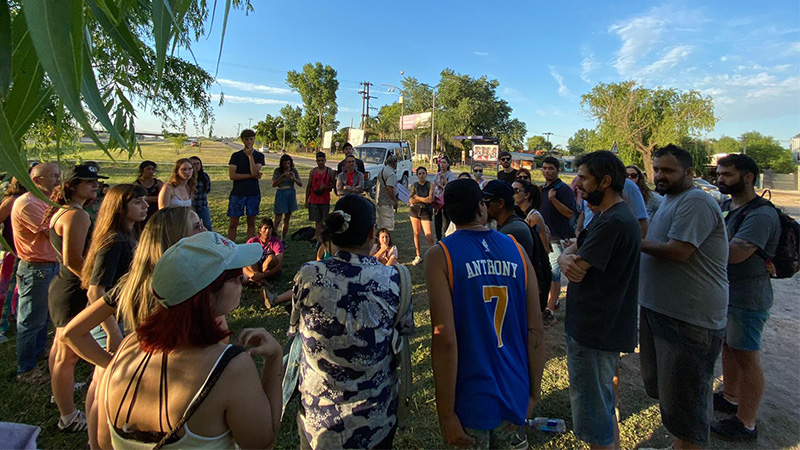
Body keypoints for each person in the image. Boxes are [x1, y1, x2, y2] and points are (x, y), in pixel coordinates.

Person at [96, 232, 283, 449]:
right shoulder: (230, 367)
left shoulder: (128, 347)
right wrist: (275, 358)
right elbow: (261, 442)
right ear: (207, 296)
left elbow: (103, 441)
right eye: (234, 277)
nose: (242, 279)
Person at [424, 178, 545, 448]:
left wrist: (445, 415)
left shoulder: (440, 255)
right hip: (514, 391)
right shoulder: (516, 249)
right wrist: (533, 394)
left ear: (448, 213)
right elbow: (535, 327)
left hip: (470, 398)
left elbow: (445, 340)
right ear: (482, 207)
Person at [289, 194, 414, 449]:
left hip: (317, 420)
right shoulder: (395, 279)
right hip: (375, 420)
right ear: (372, 233)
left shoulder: (308, 274)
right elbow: (404, 333)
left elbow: (294, 330)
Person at [639, 144, 729, 449]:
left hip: (690, 318)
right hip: (663, 310)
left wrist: (632, 241)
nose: (660, 175)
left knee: (688, 401)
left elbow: (679, 251)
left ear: (689, 172)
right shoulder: (669, 200)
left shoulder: (696, 202)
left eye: (668, 170)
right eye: (657, 169)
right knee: (672, 395)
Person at [557, 151, 641, 449]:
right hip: (597, 327)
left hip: (595, 329)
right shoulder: (608, 215)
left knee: (594, 413)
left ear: (605, 181)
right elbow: (575, 248)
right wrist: (569, 256)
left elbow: (576, 271)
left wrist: (568, 258)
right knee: (602, 407)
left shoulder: (613, 222)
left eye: (583, 177)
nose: (576, 183)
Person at [64, 208, 206, 372]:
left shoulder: (139, 282)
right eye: (197, 227)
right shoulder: (176, 283)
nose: (205, 230)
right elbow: (72, 333)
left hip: (158, 373)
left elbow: (73, 333)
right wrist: (113, 366)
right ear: (176, 238)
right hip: (170, 376)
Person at [711, 154, 781, 442]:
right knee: (730, 346)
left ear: (748, 177)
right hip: (727, 292)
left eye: (726, 174)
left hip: (748, 297)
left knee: (747, 357)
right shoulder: (728, 205)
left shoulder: (762, 214)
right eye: (719, 174)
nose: (720, 179)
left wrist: (697, 247)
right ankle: (730, 396)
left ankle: (746, 423)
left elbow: (736, 252)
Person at [76, 184, 149, 449]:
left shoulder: (129, 234)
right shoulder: (115, 241)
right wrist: (112, 331)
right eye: (138, 202)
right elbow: (96, 290)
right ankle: (97, 443)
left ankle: (95, 441)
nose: (146, 206)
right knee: (105, 384)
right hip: (109, 321)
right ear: (120, 208)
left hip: (119, 317)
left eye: (144, 201)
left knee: (100, 382)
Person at [45, 163, 107, 432]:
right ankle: (68, 416)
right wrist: (92, 285)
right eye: (87, 181)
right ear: (72, 185)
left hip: (63, 286)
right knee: (67, 356)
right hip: (72, 289)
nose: (94, 185)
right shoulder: (77, 216)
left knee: (60, 352)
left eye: (95, 181)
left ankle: (59, 392)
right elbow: (73, 259)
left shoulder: (65, 211)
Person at [11, 163, 60, 384]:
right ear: (37, 180)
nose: (57, 180)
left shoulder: (45, 201)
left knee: (43, 316)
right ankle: (26, 368)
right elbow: (52, 230)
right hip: (36, 267)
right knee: (31, 319)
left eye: (58, 175)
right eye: (52, 176)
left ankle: (38, 351)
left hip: (49, 264)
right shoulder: (27, 204)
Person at [540, 156, 577, 326]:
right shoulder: (544, 188)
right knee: (546, 272)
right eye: (545, 168)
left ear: (558, 170)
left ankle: (550, 311)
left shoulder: (562, 190)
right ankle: (551, 302)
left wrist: (553, 200)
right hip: (543, 237)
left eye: (551, 168)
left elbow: (570, 213)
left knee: (554, 274)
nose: (547, 171)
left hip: (557, 237)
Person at [0, 177, 26, 343]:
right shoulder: (12, 200)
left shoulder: (33, 200)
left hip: (24, 253)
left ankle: (11, 317)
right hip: (10, 250)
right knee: (4, 289)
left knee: (17, 288)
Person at [227, 129, 265, 241]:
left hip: (253, 193)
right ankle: (230, 246)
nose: (249, 142)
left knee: (251, 223)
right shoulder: (235, 156)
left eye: (251, 139)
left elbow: (255, 172)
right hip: (237, 193)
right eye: (246, 139)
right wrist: (252, 176)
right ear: (243, 140)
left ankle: (250, 246)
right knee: (233, 224)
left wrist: (250, 156)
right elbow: (232, 176)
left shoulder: (259, 156)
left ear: (254, 139)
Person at [482, 180, 535, 258]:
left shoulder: (511, 231)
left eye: (486, 201)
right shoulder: (512, 224)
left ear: (500, 203)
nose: (483, 207)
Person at [512, 179, 550, 253]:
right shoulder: (516, 213)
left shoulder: (534, 217)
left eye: (516, 190)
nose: (512, 194)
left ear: (526, 194)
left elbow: (544, 247)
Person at [245, 217, 285, 284]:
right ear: (260, 230)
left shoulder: (276, 242)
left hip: (268, 270)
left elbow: (279, 263)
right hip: (255, 268)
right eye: (265, 228)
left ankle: (259, 279)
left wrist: (264, 274)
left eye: (269, 228)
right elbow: (243, 261)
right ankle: (257, 279)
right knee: (248, 259)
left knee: (272, 257)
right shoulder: (252, 241)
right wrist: (251, 274)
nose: (267, 231)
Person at [305, 152, 335, 238]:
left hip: (325, 199)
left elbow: (333, 184)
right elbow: (309, 185)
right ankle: (318, 235)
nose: (320, 162)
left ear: (325, 160)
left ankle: (320, 235)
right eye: (319, 161)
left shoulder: (330, 171)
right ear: (316, 161)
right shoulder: (313, 171)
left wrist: (326, 187)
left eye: (322, 160)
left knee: (324, 219)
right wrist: (307, 200)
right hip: (314, 199)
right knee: (316, 220)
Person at [409, 166, 435, 266]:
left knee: (429, 235)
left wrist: (418, 198)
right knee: (416, 233)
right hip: (414, 211)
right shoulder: (414, 186)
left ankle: (434, 255)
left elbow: (430, 200)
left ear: (426, 174)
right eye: (419, 174)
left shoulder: (430, 185)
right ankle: (418, 255)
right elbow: (411, 200)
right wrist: (423, 199)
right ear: (417, 175)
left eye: (423, 173)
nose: (421, 175)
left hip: (425, 211)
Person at [272, 154, 302, 241]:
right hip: (281, 193)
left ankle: (283, 239)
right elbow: (274, 184)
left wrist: (294, 179)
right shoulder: (277, 171)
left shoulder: (294, 171)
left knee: (287, 218)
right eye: (285, 164)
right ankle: (273, 237)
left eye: (288, 163)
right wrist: (282, 177)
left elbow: (300, 184)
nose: (287, 165)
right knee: (278, 218)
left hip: (290, 193)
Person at [433, 156, 457, 241]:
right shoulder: (437, 175)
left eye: (444, 163)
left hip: (446, 201)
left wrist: (444, 179)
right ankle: (438, 238)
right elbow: (433, 185)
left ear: (448, 164)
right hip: (437, 201)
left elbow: (450, 187)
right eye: (441, 163)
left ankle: (447, 237)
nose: (442, 165)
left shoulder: (450, 175)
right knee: (437, 220)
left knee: (446, 220)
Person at [376, 153, 398, 232]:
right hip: (387, 202)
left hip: (381, 200)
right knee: (388, 225)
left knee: (381, 224)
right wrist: (394, 200)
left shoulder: (382, 171)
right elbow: (389, 187)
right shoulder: (391, 174)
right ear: (395, 163)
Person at [190, 156, 213, 231]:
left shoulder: (204, 176)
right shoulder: (188, 178)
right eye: (194, 164)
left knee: (207, 225)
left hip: (202, 205)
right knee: (191, 226)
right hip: (191, 206)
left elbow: (208, 189)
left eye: (198, 164)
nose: (196, 166)